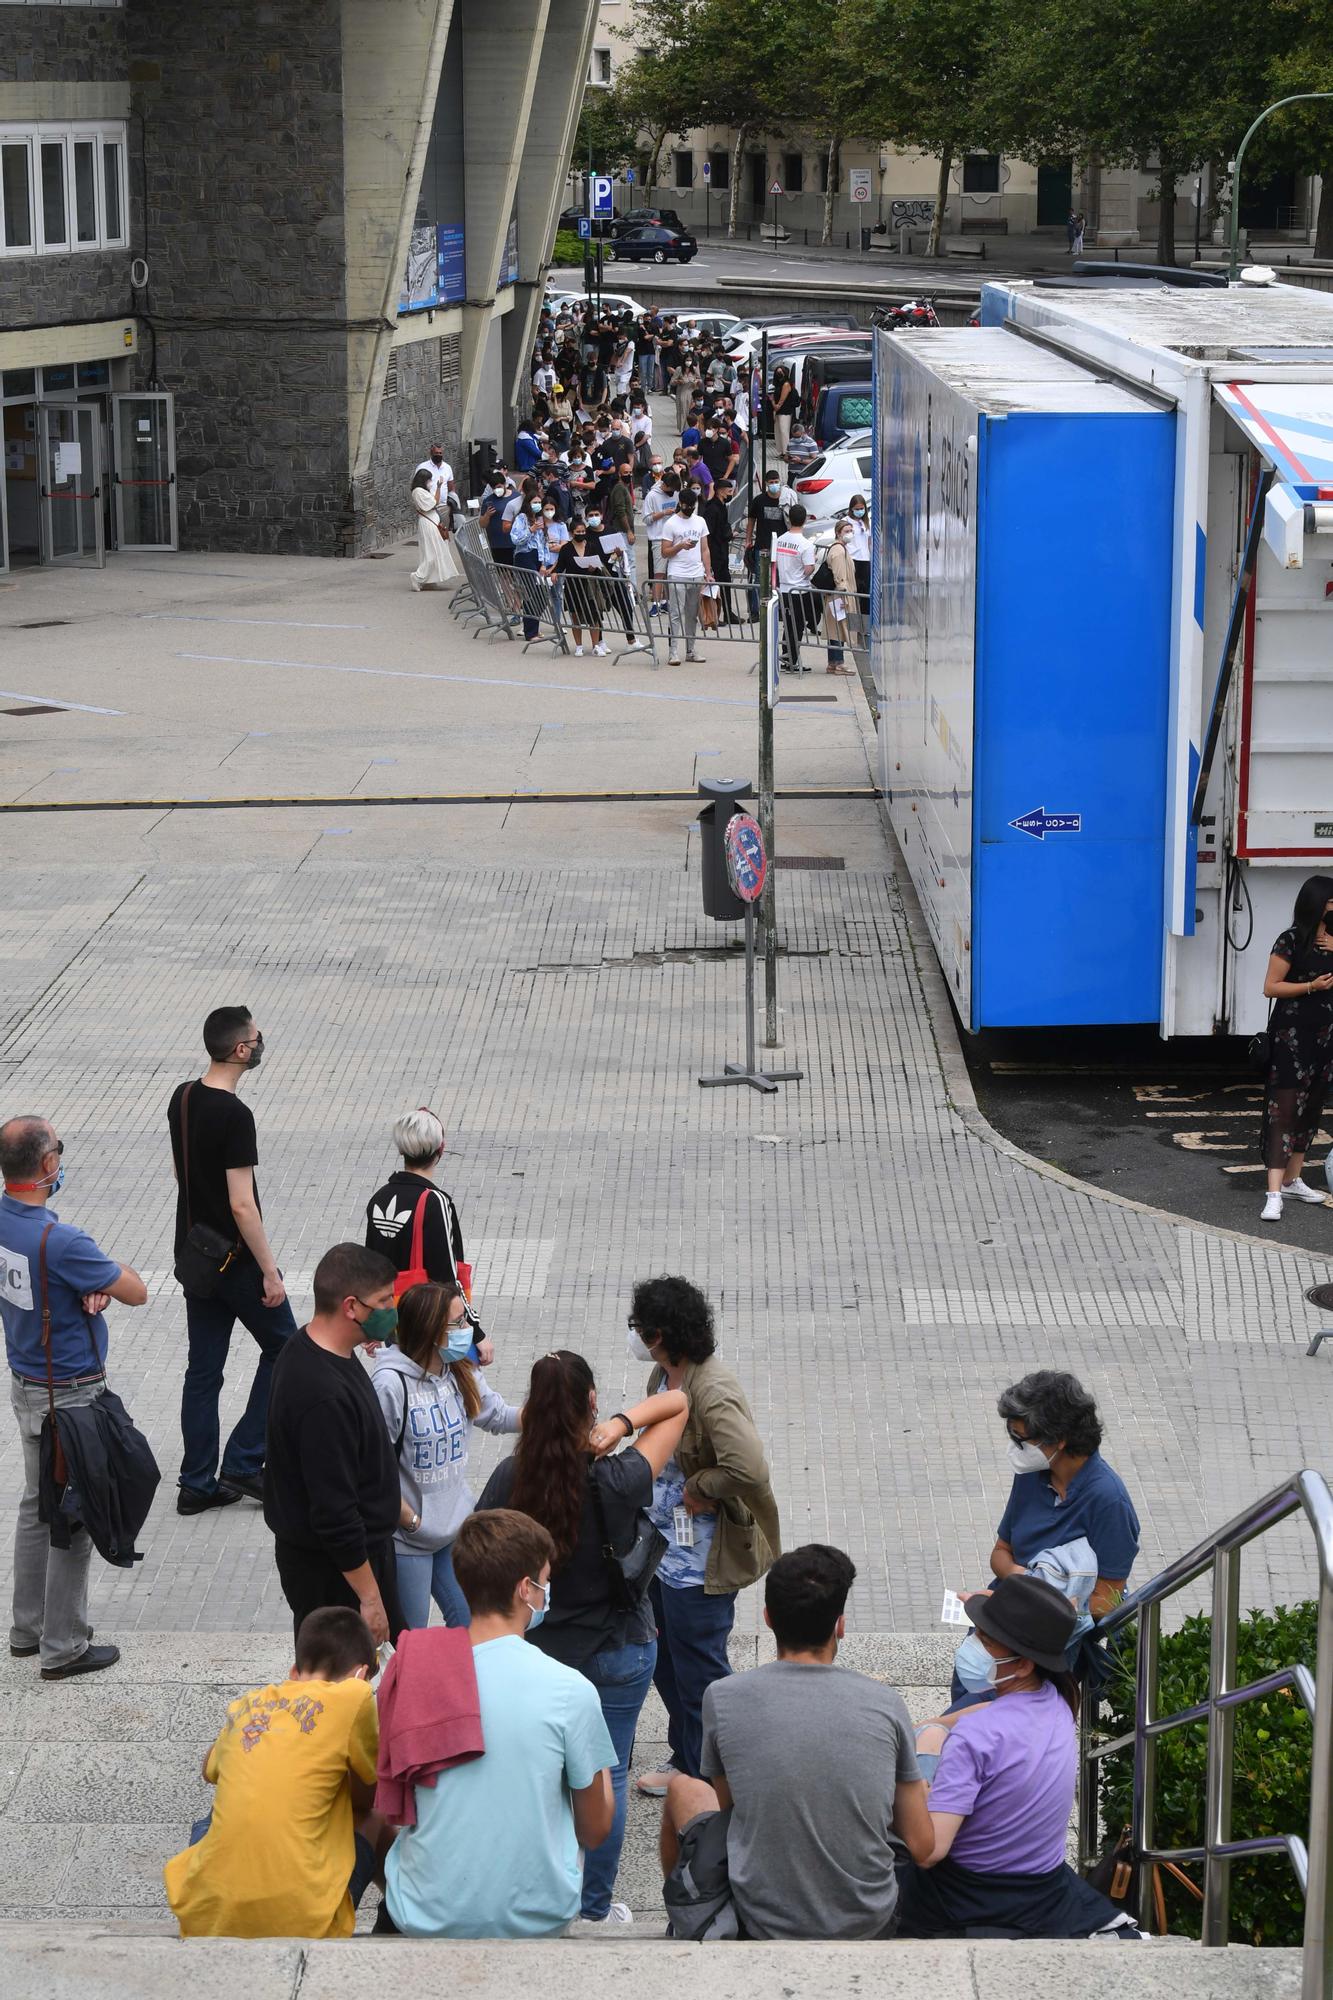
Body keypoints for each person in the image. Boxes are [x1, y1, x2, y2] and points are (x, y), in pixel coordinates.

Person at [478, 1351, 688, 1924]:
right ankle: (594, 1906)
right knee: (609, 1772)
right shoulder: (618, 1478)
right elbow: (678, 1404)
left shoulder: (508, 1479)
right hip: (621, 1647)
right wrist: (619, 1427)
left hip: (540, 1655)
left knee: (545, 1772)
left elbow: (473, 1555)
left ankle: (542, 1889)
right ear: (590, 1403)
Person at [660, 1545, 931, 1940]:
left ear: (768, 1618)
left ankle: (693, 1916)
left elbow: (730, 1807)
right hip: (870, 1921)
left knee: (683, 1787)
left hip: (761, 1921)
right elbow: (921, 1845)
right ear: (840, 1625)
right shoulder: (885, 1703)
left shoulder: (722, 1696)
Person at [382, 1508, 616, 1938]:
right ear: (525, 1589)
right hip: (538, 1918)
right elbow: (595, 1828)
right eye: (544, 1580)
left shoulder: (413, 1670)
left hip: (421, 1915)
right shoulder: (570, 1690)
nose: (547, 1591)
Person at [900, 1577, 1132, 1939]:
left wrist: (911, 1786)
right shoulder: (1058, 1703)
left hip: (969, 1897)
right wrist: (936, 1722)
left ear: (1022, 1664)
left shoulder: (973, 1739)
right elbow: (983, 1716)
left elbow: (929, 1852)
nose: (972, 1646)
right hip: (1043, 1891)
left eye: (984, 1640)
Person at [1, 1114, 147, 1680]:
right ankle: (64, 1646)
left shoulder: (11, 1225)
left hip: (26, 1384)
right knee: (73, 1514)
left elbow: (58, 1289)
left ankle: (26, 1628)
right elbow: (133, 1289)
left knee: (36, 1506)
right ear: (47, 1165)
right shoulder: (61, 1241)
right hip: (71, 1397)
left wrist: (87, 1291)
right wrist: (101, 1283)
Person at [631, 1276, 779, 1796]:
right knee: (665, 1659)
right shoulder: (664, 1376)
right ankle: (687, 1755)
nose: (635, 1336)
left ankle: (712, 1774)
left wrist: (702, 1484)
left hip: (703, 1557)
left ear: (659, 1334)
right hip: (665, 1546)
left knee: (701, 1670)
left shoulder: (710, 1390)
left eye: (639, 1328)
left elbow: (749, 1465)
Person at [163, 1607, 385, 1938]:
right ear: (362, 1674)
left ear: (294, 1670)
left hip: (206, 1914)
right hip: (308, 1920)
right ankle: (393, 1915)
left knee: (218, 1808)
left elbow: (210, 1770)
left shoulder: (250, 1703)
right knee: (377, 1816)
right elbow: (369, 1795)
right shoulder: (354, 1695)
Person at [168, 1006, 297, 1515]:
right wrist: (269, 1270)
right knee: (287, 1349)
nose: (261, 1041)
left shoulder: (182, 1097)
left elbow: (184, 1178)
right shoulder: (235, 1115)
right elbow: (242, 1204)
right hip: (237, 1263)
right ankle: (244, 1460)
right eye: (256, 1037)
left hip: (196, 1256)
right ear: (243, 1049)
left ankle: (196, 1484)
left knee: (203, 1371)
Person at [263, 1242, 405, 1647]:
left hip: (354, 1558)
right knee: (337, 1686)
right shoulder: (321, 1395)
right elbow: (334, 1512)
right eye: (383, 1300)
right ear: (351, 1307)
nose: (391, 1308)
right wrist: (370, 1597)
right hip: (336, 1572)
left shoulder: (315, 1348)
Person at [373, 1282, 520, 1630]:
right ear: (431, 1330)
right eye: (458, 1323)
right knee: (411, 1640)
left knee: (476, 1628)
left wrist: (551, 1413)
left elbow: (497, 1415)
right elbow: (372, 1468)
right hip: (408, 1541)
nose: (468, 1331)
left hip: (453, 1533)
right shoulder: (390, 1385)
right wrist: (408, 1520)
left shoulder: (458, 1370)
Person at [364, 1105, 490, 1362]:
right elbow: (446, 1275)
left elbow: (370, 1269)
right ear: (440, 1149)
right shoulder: (434, 1201)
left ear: (401, 1150)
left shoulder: (379, 1198)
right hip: (428, 1324)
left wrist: (372, 1327)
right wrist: (476, 1332)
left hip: (393, 1326)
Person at [1260, 874, 1333, 1221]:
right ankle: (1273, 1193)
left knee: (1310, 1110)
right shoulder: (1290, 941)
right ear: (1317, 903)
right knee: (1284, 1111)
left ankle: (1293, 1179)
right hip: (1291, 1037)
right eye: (1332, 901)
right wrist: (1311, 987)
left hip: (1325, 1039)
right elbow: (1271, 987)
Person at [661, 487, 712, 667]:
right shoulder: (671, 524)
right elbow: (665, 552)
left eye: (693, 505)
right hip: (677, 573)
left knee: (692, 614)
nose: (690, 508)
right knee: (675, 613)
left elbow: (705, 549)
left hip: (696, 573)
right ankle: (673, 651)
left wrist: (708, 572)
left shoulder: (700, 521)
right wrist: (680, 546)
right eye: (687, 505)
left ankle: (691, 650)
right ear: (680, 504)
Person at [773, 504, 818, 672]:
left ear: (789, 519)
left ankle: (787, 657)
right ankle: (792, 659)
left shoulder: (780, 539)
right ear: (805, 519)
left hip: (784, 588)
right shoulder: (806, 544)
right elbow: (809, 568)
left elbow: (775, 563)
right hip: (800, 590)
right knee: (797, 626)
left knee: (787, 625)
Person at [555, 520, 609, 656]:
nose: (581, 534)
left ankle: (596, 645)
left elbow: (599, 566)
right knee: (575, 616)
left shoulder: (591, 546)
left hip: (590, 586)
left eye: (583, 531)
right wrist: (555, 572)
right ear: (572, 533)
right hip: (573, 586)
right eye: (578, 532)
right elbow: (560, 566)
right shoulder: (566, 548)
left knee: (594, 616)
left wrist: (593, 568)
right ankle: (579, 646)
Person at [745, 470, 789, 616]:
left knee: (780, 579)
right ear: (766, 484)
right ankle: (756, 611)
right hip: (762, 545)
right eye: (771, 482)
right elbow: (751, 521)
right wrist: (748, 539)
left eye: (776, 482)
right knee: (760, 578)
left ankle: (781, 611)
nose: (774, 485)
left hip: (782, 547)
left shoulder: (785, 500)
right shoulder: (759, 501)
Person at [408, 470, 457, 593]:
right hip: (429, 523)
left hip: (432, 522)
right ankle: (417, 577)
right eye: (428, 480)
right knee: (431, 553)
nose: (430, 482)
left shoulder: (423, 491)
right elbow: (433, 502)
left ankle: (430, 580)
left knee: (436, 551)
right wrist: (439, 488)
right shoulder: (418, 492)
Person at [823, 520, 857, 674]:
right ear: (838, 532)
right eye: (846, 531)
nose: (849, 534)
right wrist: (844, 595)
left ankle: (833, 662)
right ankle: (839, 663)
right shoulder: (838, 551)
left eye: (851, 531)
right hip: (839, 595)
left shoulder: (841, 549)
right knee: (838, 629)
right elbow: (840, 577)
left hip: (838, 595)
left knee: (835, 628)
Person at [845, 494, 871, 630]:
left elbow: (869, 541)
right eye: (857, 509)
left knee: (865, 594)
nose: (860, 511)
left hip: (865, 560)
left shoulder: (866, 522)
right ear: (851, 509)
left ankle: (865, 627)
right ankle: (854, 627)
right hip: (852, 560)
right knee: (853, 595)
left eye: (862, 508)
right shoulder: (846, 522)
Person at [412, 443, 456, 514]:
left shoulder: (447, 467)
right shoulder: (422, 467)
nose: (438, 455)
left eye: (440, 453)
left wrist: (452, 501)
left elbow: (451, 487)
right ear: (431, 453)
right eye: (436, 453)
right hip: (428, 508)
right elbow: (417, 485)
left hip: (444, 506)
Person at [770, 366, 797, 462]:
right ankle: (781, 451)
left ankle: (786, 452)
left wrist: (776, 405)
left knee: (783, 431)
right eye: (778, 372)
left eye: (780, 372)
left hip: (785, 411)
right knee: (778, 431)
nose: (779, 374)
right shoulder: (778, 384)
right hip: (779, 411)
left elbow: (782, 399)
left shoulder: (786, 384)